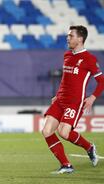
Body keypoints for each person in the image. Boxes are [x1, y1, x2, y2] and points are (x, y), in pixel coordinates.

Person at [42, 25, 104, 174]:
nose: (67, 38)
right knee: (47, 131)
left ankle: (89, 147)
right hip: (60, 99)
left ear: (80, 39)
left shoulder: (89, 59)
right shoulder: (67, 55)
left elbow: (102, 81)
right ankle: (66, 165)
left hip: (73, 103)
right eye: (68, 35)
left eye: (71, 36)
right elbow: (66, 79)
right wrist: (58, 94)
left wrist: (93, 97)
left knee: (64, 133)